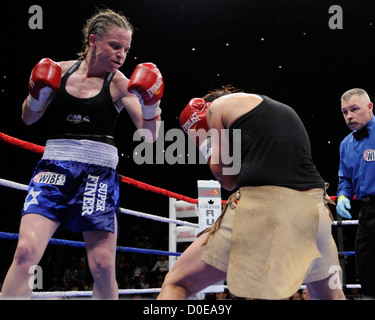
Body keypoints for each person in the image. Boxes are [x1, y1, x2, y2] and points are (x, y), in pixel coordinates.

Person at [0, 8, 164, 299]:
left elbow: (150, 136)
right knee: (25, 252)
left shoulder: (120, 83)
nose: (121, 55)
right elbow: (28, 119)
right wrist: (35, 97)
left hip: (98, 174)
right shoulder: (58, 72)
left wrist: (152, 107)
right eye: (115, 46)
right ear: (93, 41)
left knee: (102, 267)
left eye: (126, 49)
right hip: (54, 168)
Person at [157, 86, 345, 300]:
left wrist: (206, 143)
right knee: (332, 297)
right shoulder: (280, 111)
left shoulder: (216, 108)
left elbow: (226, 179)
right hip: (316, 214)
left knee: (177, 283)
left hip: (265, 209)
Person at [336, 88, 375, 299]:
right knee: (365, 269)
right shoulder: (345, 145)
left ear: (369, 107)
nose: (349, 116)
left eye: (354, 109)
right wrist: (342, 196)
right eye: (344, 112)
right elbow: (345, 180)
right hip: (366, 212)